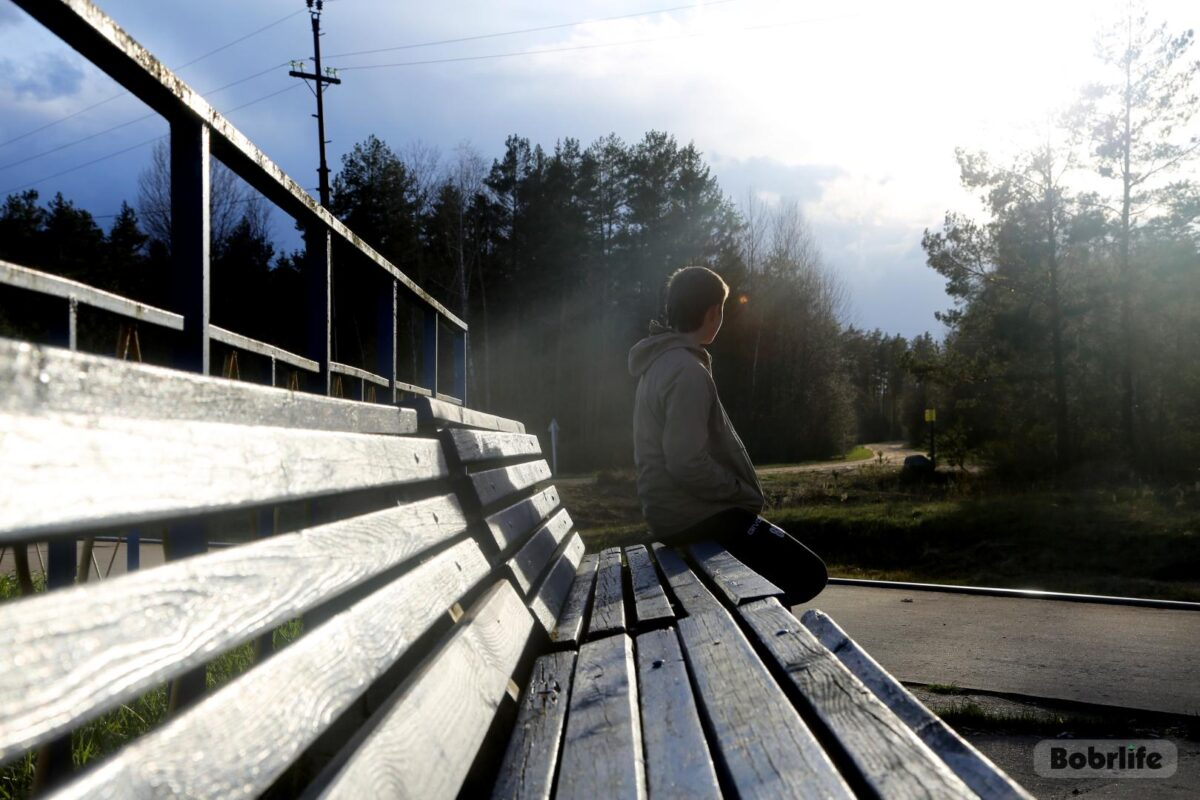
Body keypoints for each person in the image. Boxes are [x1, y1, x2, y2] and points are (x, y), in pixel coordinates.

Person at [628, 265, 827, 605]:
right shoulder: (687, 371)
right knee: (806, 574)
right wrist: (737, 492)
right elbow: (685, 461)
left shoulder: (660, 363)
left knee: (788, 572)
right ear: (713, 312)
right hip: (692, 516)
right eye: (722, 309)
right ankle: (750, 643)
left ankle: (741, 629)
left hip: (672, 512)